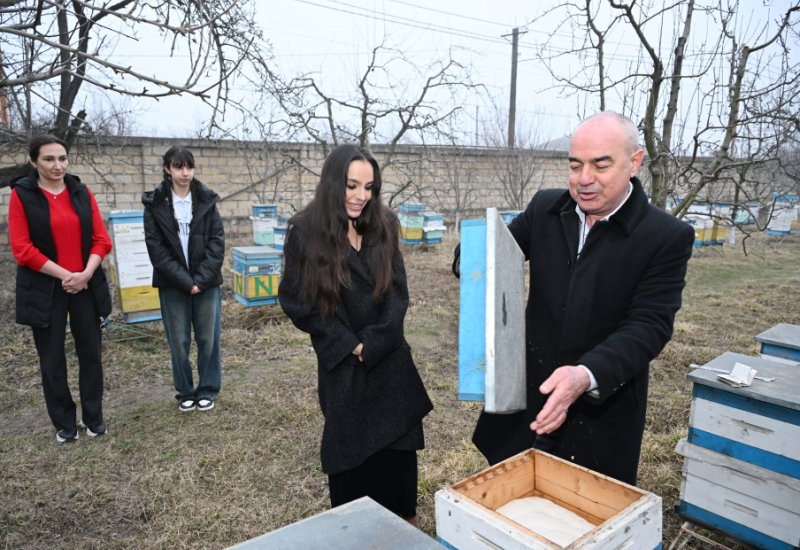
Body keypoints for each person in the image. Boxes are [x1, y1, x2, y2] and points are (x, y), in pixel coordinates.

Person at [469, 111, 695, 485]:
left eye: (600, 165)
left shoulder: (665, 237)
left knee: (581, 514)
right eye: (575, 165)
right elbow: (499, 251)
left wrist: (585, 375)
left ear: (634, 162)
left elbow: (649, 325)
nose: (584, 179)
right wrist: (474, 254)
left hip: (600, 411)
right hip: (527, 397)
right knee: (511, 504)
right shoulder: (545, 209)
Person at [278, 144, 433, 523]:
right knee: (352, 494)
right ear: (333, 183)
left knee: (399, 494)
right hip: (344, 369)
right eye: (351, 185)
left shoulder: (385, 224)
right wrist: (350, 345)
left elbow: (398, 294)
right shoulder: (304, 231)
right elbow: (298, 302)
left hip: (390, 365)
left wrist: (377, 342)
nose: (361, 196)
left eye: (369, 187)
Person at [8, 134, 113, 443]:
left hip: (85, 285)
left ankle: (93, 417)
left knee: (91, 354)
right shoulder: (22, 195)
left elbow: (101, 239)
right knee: (52, 358)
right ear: (33, 162)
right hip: (45, 289)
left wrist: (85, 273)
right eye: (49, 159)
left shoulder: (81, 192)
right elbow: (22, 249)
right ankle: (64, 423)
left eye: (62, 158)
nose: (58, 165)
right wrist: (66, 275)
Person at [142, 147, 225, 413]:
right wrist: (184, 281)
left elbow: (217, 243)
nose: (185, 172)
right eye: (178, 167)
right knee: (178, 340)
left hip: (206, 283)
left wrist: (200, 280)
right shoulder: (155, 203)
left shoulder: (207, 200)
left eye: (189, 166)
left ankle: (208, 389)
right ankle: (185, 391)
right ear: (168, 168)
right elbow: (157, 250)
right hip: (172, 284)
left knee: (208, 339)